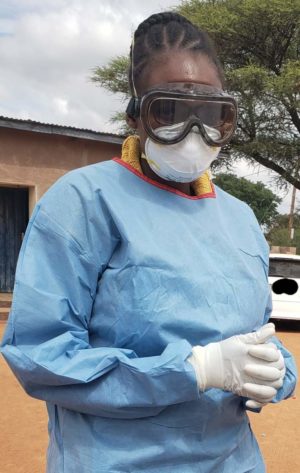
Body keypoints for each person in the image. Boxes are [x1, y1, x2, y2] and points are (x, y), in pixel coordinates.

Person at [1, 11, 297, 473]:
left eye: (213, 115)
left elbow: (255, 335)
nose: (194, 133)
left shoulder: (240, 219)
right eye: (170, 111)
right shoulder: (83, 203)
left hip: (234, 460)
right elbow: (41, 355)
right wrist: (193, 371)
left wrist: (273, 372)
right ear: (137, 114)